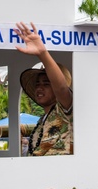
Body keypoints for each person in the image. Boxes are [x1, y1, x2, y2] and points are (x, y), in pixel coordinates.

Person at [16, 22, 73, 156]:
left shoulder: (64, 111)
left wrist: (42, 53)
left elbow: (62, 89)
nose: (40, 88)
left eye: (46, 84)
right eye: (37, 84)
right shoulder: (42, 119)